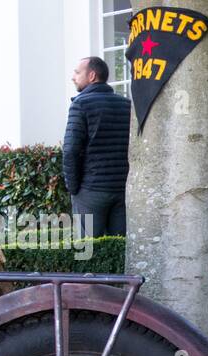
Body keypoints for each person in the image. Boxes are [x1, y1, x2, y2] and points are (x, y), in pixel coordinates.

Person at [63, 57, 131, 238]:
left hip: (91, 190)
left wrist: (73, 187)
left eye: (77, 72)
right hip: (121, 191)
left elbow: (70, 150)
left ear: (92, 75)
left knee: (88, 253)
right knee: (118, 252)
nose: (73, 77)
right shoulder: (127, 105)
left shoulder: (80, 104)